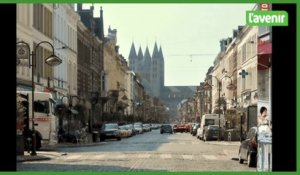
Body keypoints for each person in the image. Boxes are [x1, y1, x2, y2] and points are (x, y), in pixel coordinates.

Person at [257, 106, 272, 171]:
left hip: (267, 138)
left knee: (266, 153)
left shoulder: (267, 119)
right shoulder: (259, 119)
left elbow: (270, 127)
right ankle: (261, 168)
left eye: (266, 111)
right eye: (265, 111)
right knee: (261, 153)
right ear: (262, 112)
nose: (266, 113)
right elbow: (259, 126)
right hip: (261, 138)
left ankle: (266, 168)